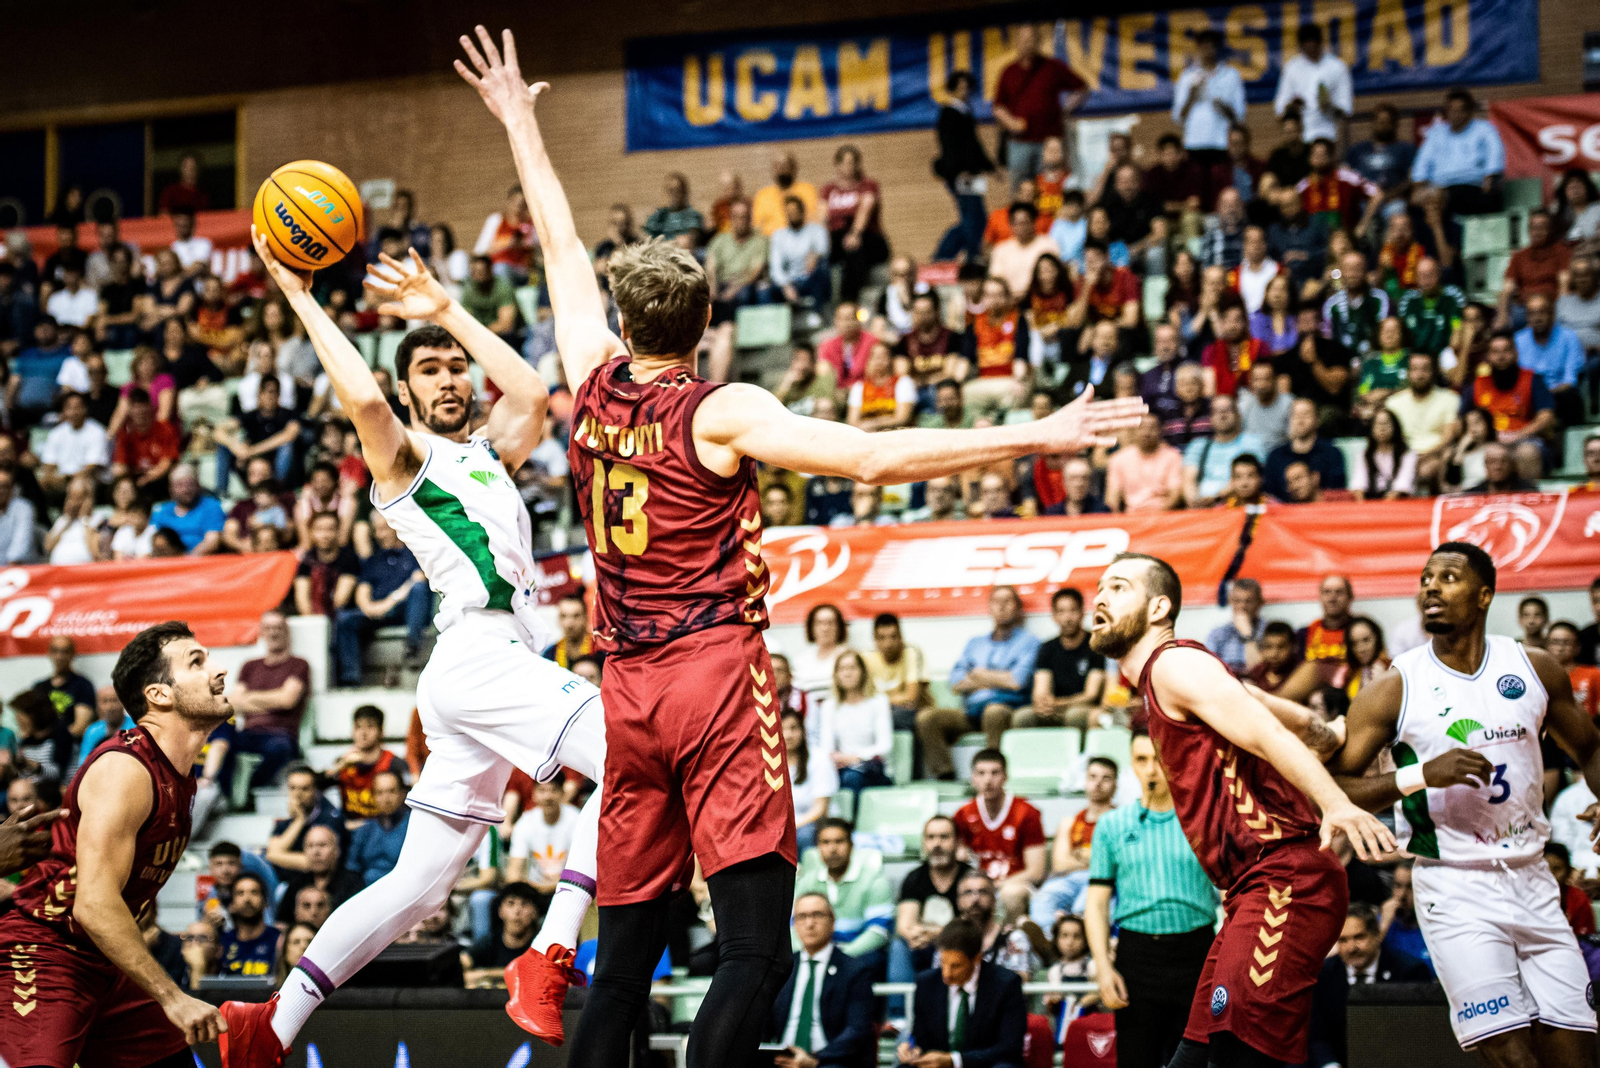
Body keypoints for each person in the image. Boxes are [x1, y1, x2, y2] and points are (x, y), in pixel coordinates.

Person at [459, 34, 1141, 1068]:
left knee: (629, 949)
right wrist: (1033, 433)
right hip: (713, 674)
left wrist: (518, 120)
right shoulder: (721, 408)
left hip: (624, 687)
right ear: (706, 323)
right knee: (755, 949)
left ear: (626, 318)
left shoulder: (589, 380)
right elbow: (870, 459)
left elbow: (558, 247)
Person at [223, 225, 612, 1058]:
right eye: (428, 369)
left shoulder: (488, 451)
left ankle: (271, 1026)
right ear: (405, 391)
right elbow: (362, 402)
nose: (450, 377)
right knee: (636, 757)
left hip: (481, 670)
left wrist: (447, 311)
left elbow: (536, 392)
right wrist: (299, 297)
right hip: (481, 657)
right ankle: (548, 954)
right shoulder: (407, 459)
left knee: (416, 887)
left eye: (453, 367)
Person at [1087, 552, 1390, 1068]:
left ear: (1159, 607)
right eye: (1100, 587)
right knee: (1192, 1058)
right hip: (1251, 891)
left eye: (1117, 587)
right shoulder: (1185, 674)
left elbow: (1266, 732)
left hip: (1284, 880)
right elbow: (1264, 706)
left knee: (1239, 1056)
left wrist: (1335, 802)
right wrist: (1323, 732)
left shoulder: (1174, 663)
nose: (1099, 597)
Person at [1330, 542, 1600, 1062]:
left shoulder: (1534, 668)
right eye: (1426, 578)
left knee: (1577, 1057)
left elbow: (1589, 748)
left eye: (1449, 578)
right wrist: (1420, 775)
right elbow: (1336, 784)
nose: (1431, 586)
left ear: (1484, 595)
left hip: (1534, 880)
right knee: (1514, 1059)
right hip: (1453, 886)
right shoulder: (1395, 687)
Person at [0, 622, 234, 1067]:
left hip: (103, 958)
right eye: (197, 661)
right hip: (45, 950)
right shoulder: (126, 770)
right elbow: (92, 905)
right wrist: (172, 996)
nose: (219, 670)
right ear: (159, 695)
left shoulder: (179, 777)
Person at [1084, 729, 1219, 1068]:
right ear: (1132, 764)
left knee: (1199, 1060)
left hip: (1197, 953)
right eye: (1142, 760)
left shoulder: (1205, 820)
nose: (1151, 769)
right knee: (1136, 1059)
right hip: (1137, 956)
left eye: (1158, 759)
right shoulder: (1111, 826)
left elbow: (1234, 895)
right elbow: (1097, 902)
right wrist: (1102, 965)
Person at [919, 587, 1042, 770]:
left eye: (1007, 601)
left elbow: (1017, 681)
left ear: (1018, 608)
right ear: (989, 607)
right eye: (996, 602)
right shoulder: (975, 643)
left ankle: (992, 775)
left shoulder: (1029, 642)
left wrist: (980, 676)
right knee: (927, 717)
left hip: (1005, 709)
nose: (1001, 607)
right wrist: (999, 678)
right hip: (971, 711)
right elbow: (956, 680)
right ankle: (945, 775)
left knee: (993, 712)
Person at [1306, 903, 1433, 1068]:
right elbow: (1317, 1035)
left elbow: (1420, 1036)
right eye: (1343, 940)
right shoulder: (1323, 975)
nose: (1352, 948)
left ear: (1377, 935)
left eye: (1359, 937)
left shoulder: (1410, 971)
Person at [899, 919, 1027, 1068]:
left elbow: (1009, 1048)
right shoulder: (926, 983)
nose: (946, 974)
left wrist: (954, 1060)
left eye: (956, 966)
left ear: (977, 958)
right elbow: (922, 1039)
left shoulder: (1006, 984)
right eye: (943, 963)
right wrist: (913, 1051)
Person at [768, 893, 876, 1068]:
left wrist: (817, 1060)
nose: (809, 924)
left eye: (817, 915)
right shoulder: (781, 968)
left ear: (832, 922)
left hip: (830, 1060)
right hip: (783, 1058)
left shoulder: (855, 970)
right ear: (794, 924)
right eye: (802, 917)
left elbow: (858, 1029)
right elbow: (765, 1023)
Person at [991, 23, 1087, 190]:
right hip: (1019, 143)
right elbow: (998, 106)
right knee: (1020, 189)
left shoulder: (1052, 67)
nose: (1027, 44)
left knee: (1048, 188)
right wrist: (1011, 122)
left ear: (1039, 42)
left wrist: (1065, 110)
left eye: (1031, 40)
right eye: (1023, 40)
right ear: (1017, 43)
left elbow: (1082, 88)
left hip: (1049, 143)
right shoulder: (1009, 72)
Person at [791, 818, 895, 965]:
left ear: (851, 846)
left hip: (857, 956)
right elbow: (792, 927)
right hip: (812, 954)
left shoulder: (874, 880)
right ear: (818, 848)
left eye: (839, 841)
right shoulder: (807, 882)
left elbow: (878, 932)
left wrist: (835, 956)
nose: (832, 849)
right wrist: (807, 953)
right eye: (825, 843)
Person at [891, 817, 971, 1004]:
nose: (937, 844)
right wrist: (914, 935)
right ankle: (898, 1018)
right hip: (923, 946)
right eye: (931, 837)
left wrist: (936, 933)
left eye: (944, 837)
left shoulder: (969, 877)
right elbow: (905, 925)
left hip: (959, 946)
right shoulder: (914, 878)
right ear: (924, 842)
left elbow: (971, 928)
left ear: (958, 842)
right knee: (898, 946)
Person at [1030, 757, 1117, 928]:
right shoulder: (1069, 823)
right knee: (1043, 899)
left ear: (1115, 784)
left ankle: (1081, 943)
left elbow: (1117, 863)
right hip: (1069, 879)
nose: (1098, 783)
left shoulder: (1121, 821)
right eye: (1092, 777)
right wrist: (1096, 857)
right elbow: (1060, 864)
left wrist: (1079, 856)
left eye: (1105, 778)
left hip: (1103, 878)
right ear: (1085, 781)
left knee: (1083, 905)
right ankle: (1049, 942)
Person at [952, 750, 1047, 905]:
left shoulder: (1027, 813)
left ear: (1005, 776)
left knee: (1010, 893)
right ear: (973, 778)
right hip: (978, 887)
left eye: (994, 773)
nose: (988, 780)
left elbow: (1036, 872)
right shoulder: (963, 815)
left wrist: (994, 887)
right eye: (981, 773)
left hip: (1016, 885)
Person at [1173, 29, 1246, 201]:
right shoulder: (1187, 77)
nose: (1208, 50)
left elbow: (1240, 116)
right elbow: (1178, 117)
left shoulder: (1231, 75)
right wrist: (1191, 96)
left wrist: (1224, 108)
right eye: (1203, 46)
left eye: (1211, 46)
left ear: (1217, 48)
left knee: (1220, 194)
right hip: (1194, 144)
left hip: (1221, 143)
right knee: (1197, 195)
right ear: (1198, 48)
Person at [933, 69, 997, 264]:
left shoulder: (966, 112)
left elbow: (974, 145)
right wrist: (958, 172)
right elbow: (948, 146)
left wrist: (992, 168)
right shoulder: (949, 113)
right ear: (952, 89)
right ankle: (972, 255)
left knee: (977, 217)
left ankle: (943, 254)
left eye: (966, 88)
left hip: (973, 174)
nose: (964, 91)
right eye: (959, 88)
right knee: (971, 214)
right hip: (961, 175)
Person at [1411, 88, 1506, 219]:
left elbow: (1494, 167)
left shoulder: (1485, 130)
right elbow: (1420, 171)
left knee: (1439, 200)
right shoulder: (1436, 133)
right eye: (1450, 110)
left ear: (1469, 112)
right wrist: (1420, 190)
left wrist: (1491, 181)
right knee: (1414, 206)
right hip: (1438, 190)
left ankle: (1442, 238)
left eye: (1459, 110)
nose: (1454, 115)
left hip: (1472, 188)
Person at [1018, 588, 1104, 731]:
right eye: (1061, 611)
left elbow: (1091, 695)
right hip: (1054, 708)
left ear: (1082, 612)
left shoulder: (1095, 644)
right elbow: (1040, 690)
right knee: (1022, 717)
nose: (1067, 618)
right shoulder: (1047, 647)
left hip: (1081, 708)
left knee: (1074, 716)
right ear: (1054, 616)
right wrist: (1044, 704)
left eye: (1073, 610)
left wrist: (1058, 703)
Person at [820, 145, 889, 304]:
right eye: (845, 163)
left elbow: (865, 210)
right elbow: (822, 217)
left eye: (853, 162)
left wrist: (855, 233)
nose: (849, 167)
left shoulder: (867, 185)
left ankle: (850, 301)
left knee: (854, 251)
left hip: (868, 238)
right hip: (837, 240)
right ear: (837, 165)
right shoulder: (829, 189)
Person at [328, 706, 408, 826]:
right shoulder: (343, 763)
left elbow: (406, 805)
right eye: (358, 727)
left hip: (385, 829)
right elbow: (316, 785)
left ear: (381, 731)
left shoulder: (395, 764)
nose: (363, 733)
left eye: (370, 727)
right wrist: (340, 765)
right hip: (350, 830)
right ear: (352, 732)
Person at [1183, 394, 1265, 508]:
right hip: (1201, 510)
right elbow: (1188, 480)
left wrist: (1216, 499)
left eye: (1228, 410)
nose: (1222, 415)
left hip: (1236, 507)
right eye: (1217, 411)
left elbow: (1252, 479)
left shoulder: (1252, 443)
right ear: (1210, 418)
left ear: (1238, 415)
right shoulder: (1198, 445)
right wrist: (1194, 502)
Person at [1274, 24, 1351, 145]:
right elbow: (1279, 108)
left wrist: (1328, 107)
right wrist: (1293, 106)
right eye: (1306, 45)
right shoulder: (1292, 68)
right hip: (1300, 136)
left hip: (1330, 133)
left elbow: (1346, 108)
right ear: (1301, 46)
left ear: (1320, 43)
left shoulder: (1337, 67)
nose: (1311, 48)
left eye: (1314, 44)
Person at [506, 779, 579, 902]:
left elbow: (581, 870)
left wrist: (554, 885)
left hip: (570, 890)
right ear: (533, 794)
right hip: (532, 893)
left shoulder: (577, 819)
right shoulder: (525, 822)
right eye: (542, 790)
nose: (548, 796)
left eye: (553, 790)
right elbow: (514, 873)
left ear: (562, 793)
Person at [1265, 398, 1349, 500]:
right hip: (1285, 513)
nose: (1300, 420)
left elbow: (1338, 492)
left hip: (1322, 512)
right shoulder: (1275, 456)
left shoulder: (1332, 453)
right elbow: (1269, 497)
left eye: (1306, 414)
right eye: (1295, 415)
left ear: (1317, 420)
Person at [1107, 412, 1185, 512]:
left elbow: (1176, 494)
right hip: (1131, 516)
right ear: (1134, 431)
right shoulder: (1119, 459)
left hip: (1164, 516)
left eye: (1152, 428)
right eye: (1142, 428)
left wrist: (1156, 517)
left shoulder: (1173, 456)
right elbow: (1112, 498)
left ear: (1161, 431)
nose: (1147, 433)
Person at [344, 771, 411, 887]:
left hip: (404, 889)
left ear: (402, 794)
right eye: (379, 793)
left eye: (391, 791)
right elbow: (352, 868)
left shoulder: (413, 825)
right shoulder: (364, 830)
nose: (386, 798)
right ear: (373, 796)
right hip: (367, 892)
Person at [466, 883, 542, 982]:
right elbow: (464, 962)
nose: (517, 911)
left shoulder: (541, 944)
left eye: (524, 904)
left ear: (535, 912)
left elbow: (537, 972)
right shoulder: (491, 941)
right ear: (500, 911)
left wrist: (485, 974)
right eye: (510, 904)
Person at [784, 710, 836, 853]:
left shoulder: (819, 759)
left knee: (802, 836)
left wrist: (792, 826)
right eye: (782, 729)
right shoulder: (768, 763)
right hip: (782, 825)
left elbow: (820, 809)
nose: (788, 735)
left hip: (812, 823)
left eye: (793, 728)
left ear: (803, 730)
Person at [769, 195, 833, 310]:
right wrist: (786, 286)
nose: (791, 214)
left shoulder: (817, 231)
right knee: (765, 290)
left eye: (794, 211)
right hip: (790, 282)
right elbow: (776, 267)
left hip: (811, 278)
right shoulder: (779, 236)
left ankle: (818, 314)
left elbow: (823, 252)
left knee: (821, 268)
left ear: (802, 211)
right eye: (788, 212)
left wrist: (814, 257)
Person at [34, 634, 97, 738]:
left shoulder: (83, 685)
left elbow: (80, 727)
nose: (59, 656)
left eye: (65, 651)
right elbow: (31, 725)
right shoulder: (40, 687)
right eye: (55, 651)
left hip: (70, 746)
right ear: (49, 653)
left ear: (72, 654)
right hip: (42, 746)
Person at [218, 874, 280, 978]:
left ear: (265, 902)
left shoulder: (279, 940)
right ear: (232, 905)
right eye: (240, 893)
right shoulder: (223, 943)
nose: (247, 899)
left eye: (254, 892)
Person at [1207, 578, 1265, 676]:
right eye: (1237, 601)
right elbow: (1209, 670)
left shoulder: (1269, 632)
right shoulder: (1218, 635)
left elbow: (1261, 673)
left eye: (1248, 601)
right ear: (1231, 602)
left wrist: (1247, 635)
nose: (1242, 606)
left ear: (1260, 603)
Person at [752, 152, 819, 237]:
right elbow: (757, 227)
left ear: (794, 168)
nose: (781, 169)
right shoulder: (763, 195)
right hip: (770, 242)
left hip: (800, 238)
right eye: (777, 166)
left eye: (785, 165)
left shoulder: (807, 190)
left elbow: (812, 219)